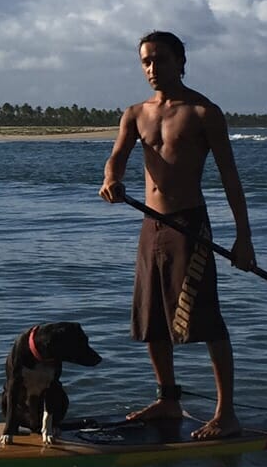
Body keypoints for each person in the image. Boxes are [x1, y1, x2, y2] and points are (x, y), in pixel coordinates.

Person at [98, 30, 256, 440]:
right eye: (146, 61)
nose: (152, 68)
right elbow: (116, 157)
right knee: (152, 317)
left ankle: (226, 413)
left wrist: (243, 238)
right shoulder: (135, 113)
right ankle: (168, 398)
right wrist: (111, 179)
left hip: (190, 227)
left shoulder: (204, 112)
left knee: (205, 317)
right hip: (151, 226)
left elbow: (229, 177)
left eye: (160, 60)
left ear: (180, 62)